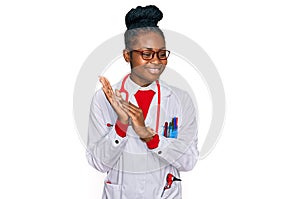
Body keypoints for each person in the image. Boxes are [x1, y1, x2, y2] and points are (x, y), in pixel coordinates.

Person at [86, 5, 199, 199]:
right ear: (127, 55)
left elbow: (189, 161)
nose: (156, 61)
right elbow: (98, 163)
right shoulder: (103, 100)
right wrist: (121, 126)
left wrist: (150, 137)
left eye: (162, 54)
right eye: (147, 54)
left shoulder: (181, 100)